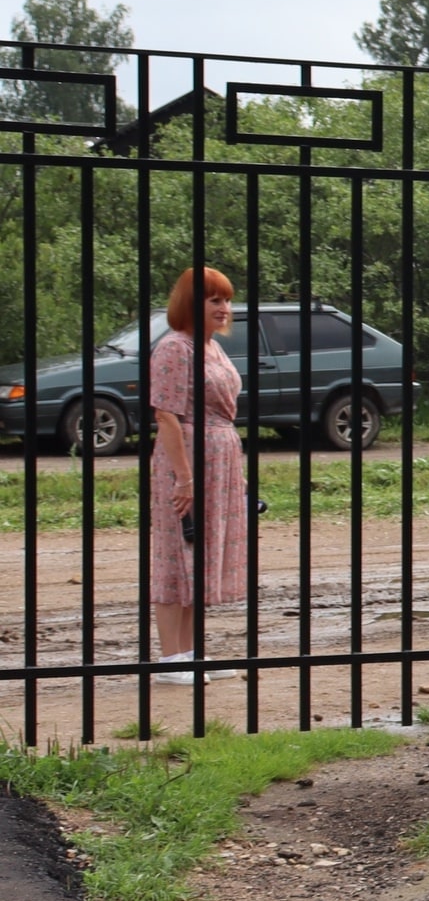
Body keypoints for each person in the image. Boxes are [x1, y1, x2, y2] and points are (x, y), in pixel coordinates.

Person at [147, 266, 247, 685]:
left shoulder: (211, 347)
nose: (224, 308)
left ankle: (187, 654)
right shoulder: (175, 347)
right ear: (193, 304)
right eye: (214, 300)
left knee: (199, 556)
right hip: (187, 457)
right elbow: (165, 415)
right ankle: (169, 660)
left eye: (226, 300)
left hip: (219, 457)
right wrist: (183, 477)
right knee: (176, 553)